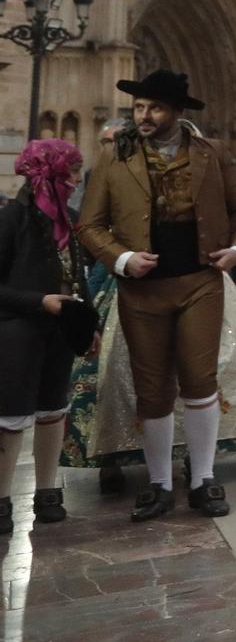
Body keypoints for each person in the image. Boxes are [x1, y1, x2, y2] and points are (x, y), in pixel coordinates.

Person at [77, 69, 236, 520]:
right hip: (142, 291)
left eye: (154, 107)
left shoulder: (210, 153)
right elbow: (89, 225)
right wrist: (121, 260)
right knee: (152, 389)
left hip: (199, 282)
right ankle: (159, 484)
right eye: (139, 107)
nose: (144, 115)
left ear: (176, 112)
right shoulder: (115, 158)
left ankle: (203, 480)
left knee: (200, 382)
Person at [0, 140, 89, 536]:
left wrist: (89, 325)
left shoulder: (69, 218)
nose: (76, 179)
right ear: (49, 174)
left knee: (54, 408)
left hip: (59, 332)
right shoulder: (12, 219)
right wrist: (40, 301)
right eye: (71, 171)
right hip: (17, 329)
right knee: (12, 415)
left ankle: (47, 490)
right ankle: (2, 499)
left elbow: (78, 275)